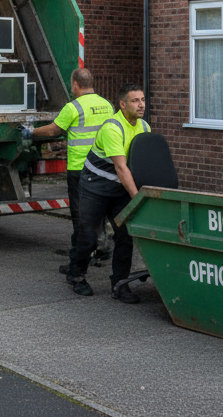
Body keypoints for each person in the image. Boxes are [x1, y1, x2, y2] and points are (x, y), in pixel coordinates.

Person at [65, 83, 149, 303]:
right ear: (122, 104)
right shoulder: (113, 128)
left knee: (125, 235)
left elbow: (142, 165)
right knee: (88, 236)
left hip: (119, 189)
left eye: (142, 100)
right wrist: (139, 199)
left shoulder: (144, 127)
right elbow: (121, 168)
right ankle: (76, 275)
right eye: (135, 101)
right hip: (95, 187)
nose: (141, 105)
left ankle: (119, 285)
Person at [25, 68, 114, 269]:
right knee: (99, 211)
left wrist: (30, 132)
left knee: (80, 215)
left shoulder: (74, 107)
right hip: (103, 167)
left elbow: (54, 129)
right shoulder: (107, 105)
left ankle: (78, 258)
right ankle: (102, 249)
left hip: (80, 169)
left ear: (75, 85)